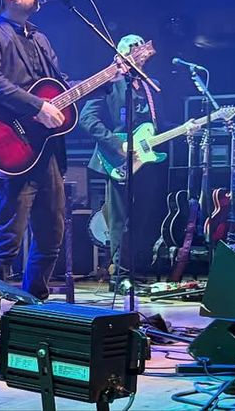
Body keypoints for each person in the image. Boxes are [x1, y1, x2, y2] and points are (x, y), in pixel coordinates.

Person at [0, 0, 68, 301]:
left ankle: (33, 313)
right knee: (6, 240)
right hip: (11, 150)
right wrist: (36, 107)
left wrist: (105, 81)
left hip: (46, 153)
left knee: (51, 237)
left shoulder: (40, 38)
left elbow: (61, 89)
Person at [78, 34, 166, 289]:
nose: (140, 50)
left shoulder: (152, 85)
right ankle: (119, 276)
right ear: (121, 53)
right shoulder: (108, 83)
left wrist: (185, 128)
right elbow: (88, 119)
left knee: (144, 217)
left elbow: (158, 124)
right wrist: (119, 145)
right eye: (133, 47)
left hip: (146, 159)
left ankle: (134, 271)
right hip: (117, 159)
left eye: (142, 46)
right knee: (121, 219)